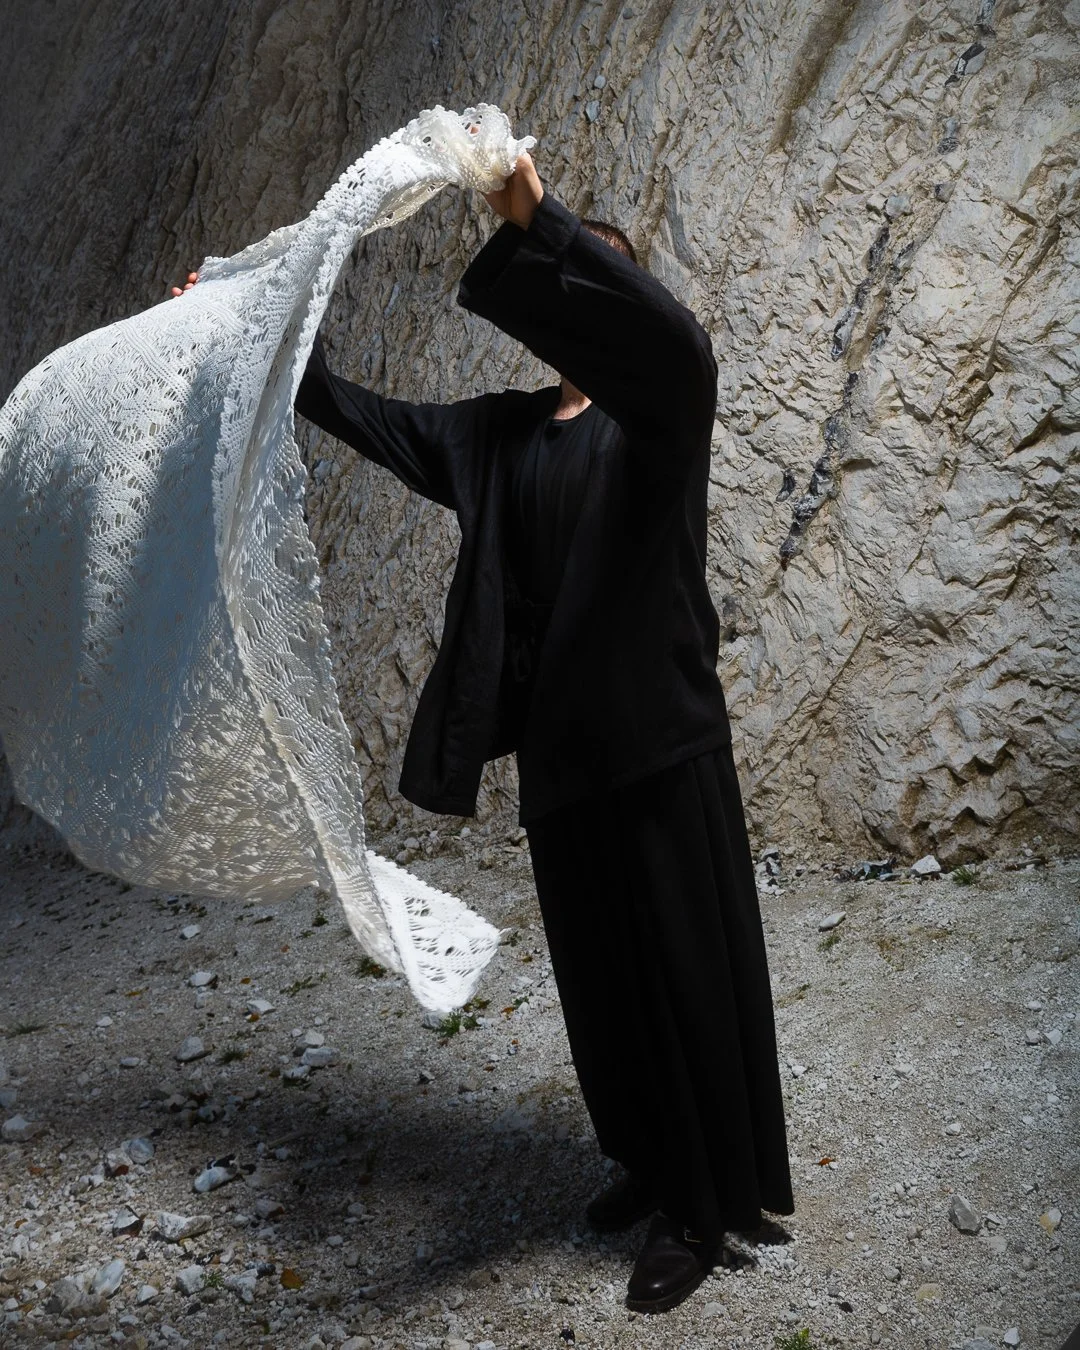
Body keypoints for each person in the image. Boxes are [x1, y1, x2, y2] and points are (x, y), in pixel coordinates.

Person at [179, 150, 794, 1313]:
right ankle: (647, 1162)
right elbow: (357, 413)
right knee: (604, 993)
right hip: (565, 768)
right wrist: (235, 330)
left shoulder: (663, 417)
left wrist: (540, 218)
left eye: (596, 290)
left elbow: (676, 345)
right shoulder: (502, 437)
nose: (581, 312)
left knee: (678, 979)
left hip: (659, 750)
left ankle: (702, 1207)